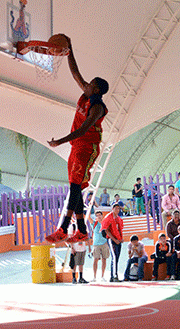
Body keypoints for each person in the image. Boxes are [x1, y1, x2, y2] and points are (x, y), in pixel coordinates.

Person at [45, 35, 109, 244]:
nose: (86, 84)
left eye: (90, 84)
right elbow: (75, 73)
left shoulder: (97, 107)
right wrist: (69, 49)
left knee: (74, 186)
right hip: (76, 146)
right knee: (76, 187)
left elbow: (82, 130)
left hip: (86, 147)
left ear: (96, 89)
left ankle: (63, 228)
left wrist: (59, 142)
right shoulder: (88, 95)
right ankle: (81, 229)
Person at [101, 201, 123, 282]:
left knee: (116, 258)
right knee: (114, 257)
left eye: (119, 208)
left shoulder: (118, 219)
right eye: (116, 208)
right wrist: (114, 240)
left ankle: (113, 275)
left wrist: (121, 238)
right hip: (111, 239)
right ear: (113, 209)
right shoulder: (108, 218)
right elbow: (106, 231)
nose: (118, 210)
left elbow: (120, 229)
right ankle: (114, 276)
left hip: (118, 239)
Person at [90, 211, 110, 281]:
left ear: (102, 216)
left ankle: (102, 276)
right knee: (95, 260)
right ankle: (94, 277)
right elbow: (88, 217)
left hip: (104, 243)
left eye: (100, 215)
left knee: (104, 259)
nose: (99, 216)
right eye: (97, 215)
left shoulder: (105, 223)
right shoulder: (94, 223)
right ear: (96, 217)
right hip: (96, 244)